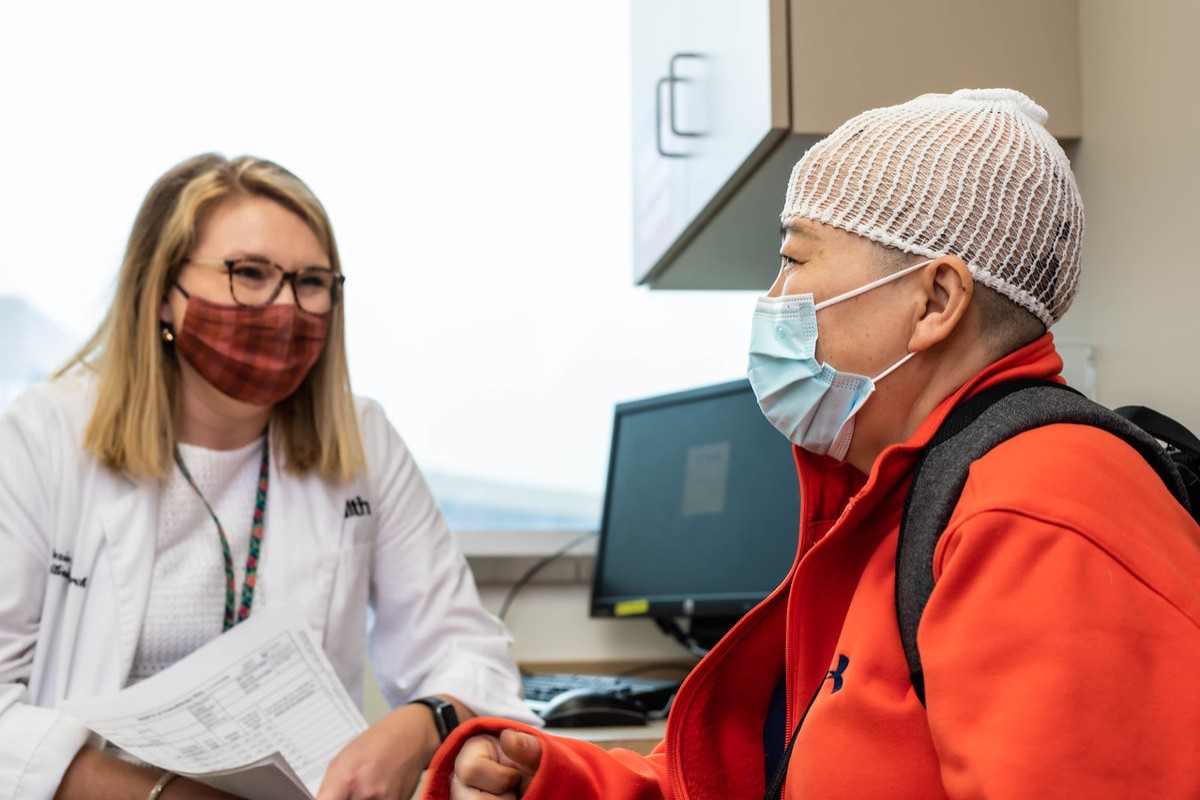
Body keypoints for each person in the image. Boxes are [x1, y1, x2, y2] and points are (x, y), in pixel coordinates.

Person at [420, 88, 1200, 798]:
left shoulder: (1039, 509)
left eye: (794, 258)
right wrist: (551, 780)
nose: (772, 299)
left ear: (935, 299)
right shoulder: (899, 502)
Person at [0, 153, 540, 800]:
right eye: (249, 274)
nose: (284, 308)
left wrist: (420, 726)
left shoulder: (363, 440)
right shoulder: (44, 437)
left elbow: (469, 653)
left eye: (311, 283)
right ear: (162, 294)